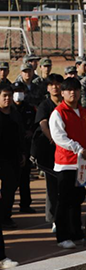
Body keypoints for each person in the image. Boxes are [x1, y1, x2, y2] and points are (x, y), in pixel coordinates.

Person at [49, 77, 86, 249]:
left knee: (78, 200)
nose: (73, 93)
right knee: (64, 200)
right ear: (62, 93)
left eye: (76, 90)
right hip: (66, 163)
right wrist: (77, 148)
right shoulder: (58, 112)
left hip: (83, 164)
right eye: (69, 90)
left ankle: (77, 233)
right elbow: (59, 137)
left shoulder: (84, 112)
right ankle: (62, 236)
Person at [32, 74, 64, 233]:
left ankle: (68, 218)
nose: (55, 87)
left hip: (68, 153)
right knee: (52, 186)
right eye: (52, 85)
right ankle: (54, 219)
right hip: (50, 152)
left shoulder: (68, 105)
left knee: (68, 186)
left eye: (58, 84)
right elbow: (43, 123)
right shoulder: (45, 105)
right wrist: (53, 138)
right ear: (47, 88)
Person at [0, 84, 26, 230]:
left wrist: (22, 153)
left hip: (13, 157)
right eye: (4, 96)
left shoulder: (15, 115)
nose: (7, 99)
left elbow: (21, 135)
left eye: (9, 96)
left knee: (10, 188)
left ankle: (6, 217)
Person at [12, 81, 38, 214]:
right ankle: (7, 207)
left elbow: (36, 123)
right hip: (11, 147)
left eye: (21, 91)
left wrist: (31, 131)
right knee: (10, 180)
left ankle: (25, 204)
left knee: (25, 177)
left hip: (25, 146)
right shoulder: (8, 108)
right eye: (16, 91)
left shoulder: (30, 108)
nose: (18, 94)